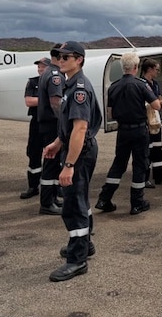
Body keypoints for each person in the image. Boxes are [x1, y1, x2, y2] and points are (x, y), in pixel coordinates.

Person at [43, 40, 102, 282]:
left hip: (80, 152)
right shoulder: (70, 85)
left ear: (79, 59)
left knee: (73, 203)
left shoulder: (78, 88)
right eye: (58, 56)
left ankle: (77, 260)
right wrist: (58, 142)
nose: (61, 59)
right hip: (77, 148)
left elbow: (80, 128)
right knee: (80, 199)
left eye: (66, 57)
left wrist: (68, 165)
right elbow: (69, 126)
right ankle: (84, 244)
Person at [95, 52, 160, 215]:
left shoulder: (114, 87)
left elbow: (110, 114)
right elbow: (156, 105)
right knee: (140, 164)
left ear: (123, 67)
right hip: (139, 130)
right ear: (136, 67)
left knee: (119, 164)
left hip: (122, 130)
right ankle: (137, 203)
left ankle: (104, 199)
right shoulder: (141, 85)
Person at [36, 45, 64, 215]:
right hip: (52, 124)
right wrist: (65, 121)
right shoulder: (55, 75)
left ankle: (52, 198)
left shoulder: (47, 72)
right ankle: (46, 203)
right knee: (51, 162)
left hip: (47, 124)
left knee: (53, 164)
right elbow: (56, 103)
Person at [139, 58, 162, 187]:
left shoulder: (155, 84)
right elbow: (151, 103)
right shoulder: (141, 84)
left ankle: (159, 176)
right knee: (147, 150)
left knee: (157, 148)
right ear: (149, 69)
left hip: (155, 121)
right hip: (146, 121)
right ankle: (144, 178)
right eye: (156, 69)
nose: (158, 72)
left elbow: (158, 100)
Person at [20, 57, 50, 199]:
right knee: (33, 153)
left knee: (53, 155)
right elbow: (28, 101)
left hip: (50, 122)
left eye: (42, 67)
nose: (39, 69)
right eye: (38, 67)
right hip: (36, 122)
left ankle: (53, 188)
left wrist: (40, 99)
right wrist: (47, 99)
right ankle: (33, 186)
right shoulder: (32, 82)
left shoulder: (54, 81)